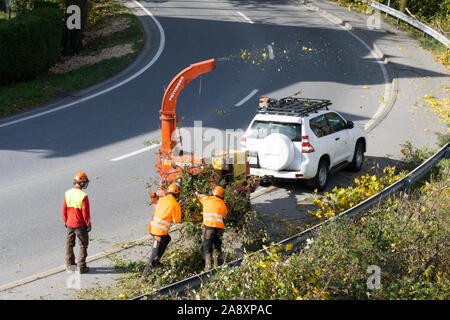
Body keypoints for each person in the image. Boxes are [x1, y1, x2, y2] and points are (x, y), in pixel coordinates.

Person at [144, 183, 181, 273]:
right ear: (177, 194)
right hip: (158, 232)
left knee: (167, 238)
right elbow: (176, 220)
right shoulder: (175, 204)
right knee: (153, 255)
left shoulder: (162, 199)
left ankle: (156, 262)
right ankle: (144, 278)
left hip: (152, 227)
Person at [62, 172, 91, 274]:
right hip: (80, 225)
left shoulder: (67, 193)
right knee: (83, 245)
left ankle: (70, 265)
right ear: (82, 183)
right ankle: (81, 267)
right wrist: (88, 224)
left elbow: (64, 209)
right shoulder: (83, 196)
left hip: (69, 224)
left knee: (69, 244)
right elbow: (85, 213)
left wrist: (66, 220)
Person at [196, 186, 227, 271]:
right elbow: (224, 215)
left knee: (207, 246)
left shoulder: (207, 200)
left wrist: (197, 193)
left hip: (209, 227)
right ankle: (218, 266)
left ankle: (208, 267)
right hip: (219, 229)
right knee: (217, 246)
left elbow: (200, 196)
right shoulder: (223, 204)